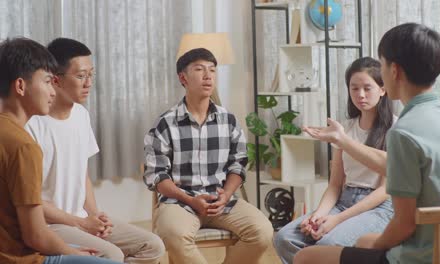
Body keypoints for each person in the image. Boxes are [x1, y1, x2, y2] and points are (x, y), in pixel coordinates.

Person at [294, 22, 440, 264]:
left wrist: (374, 244)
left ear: (394, 70)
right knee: (360, 242)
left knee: (305, 258)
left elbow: (404, 224)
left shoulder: (403, 132)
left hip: (417, 256)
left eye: (382, 64)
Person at [25, 38, 165, 263]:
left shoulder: (81, 115)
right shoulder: (33, 125)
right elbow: (30, 200)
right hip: (51, 224)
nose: (89, 83)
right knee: (112, 254)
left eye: (92, 74)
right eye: (81, 76)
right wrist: (80, 223)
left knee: (152, 245)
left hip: (81, 218)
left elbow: (83, 175)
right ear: (56, 80)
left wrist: (94, 215)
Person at [143, 48, 274, 264]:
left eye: (212, 70)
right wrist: (190, 199)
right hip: (179, 202)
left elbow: (238, 164)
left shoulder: (228, 120)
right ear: (183, 78)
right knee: (173, 234)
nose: (208, 75)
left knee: (262, 232)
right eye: (200, 69)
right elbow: (156, 175)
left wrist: (226, 195)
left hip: (221, 201)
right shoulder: (165, 123)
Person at [0, 37, 122, 264]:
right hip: (23, 257)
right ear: (20, 86)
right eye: (47, 82)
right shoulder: (24, 145)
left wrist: (91, 217)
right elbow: (35, 235)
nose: (53, 91)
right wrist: (74, 252)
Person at [274, 57, 396, 264]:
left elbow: (385, 191)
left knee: (327, 244)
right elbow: (335, 184)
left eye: (368, 88)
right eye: (354, 88)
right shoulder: (344, 129)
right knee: (284, 238)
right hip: (343, 201)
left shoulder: (395, 129)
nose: (361, 95)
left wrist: (336, 220)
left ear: (383, 90)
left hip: (378, 207)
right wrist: (318, 216)